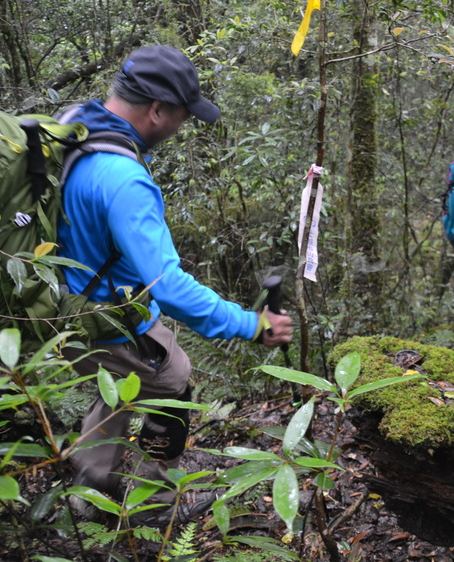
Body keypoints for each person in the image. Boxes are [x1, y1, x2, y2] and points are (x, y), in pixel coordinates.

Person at [58, 46, 294, 524]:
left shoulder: (75, 131)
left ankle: (90, 491)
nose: (181, 127)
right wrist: (251, 324)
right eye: (182, 116)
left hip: (67, 309)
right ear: (157, 110)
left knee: (116, 389)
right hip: (111, 318)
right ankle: (152, 508)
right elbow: (170, 288)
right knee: (172, 382)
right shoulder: (124, 179)